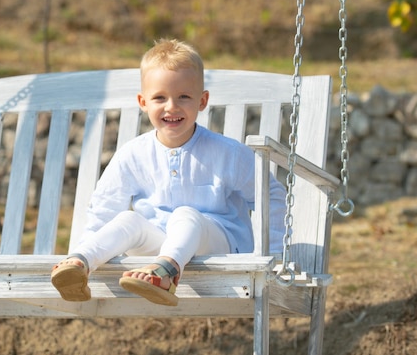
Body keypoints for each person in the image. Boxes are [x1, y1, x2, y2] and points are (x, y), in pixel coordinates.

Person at [51, 38, 286, 306]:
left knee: (185, 215)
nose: (171, 106)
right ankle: (80, 265)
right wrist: (83, 246)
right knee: (128, 220)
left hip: (218, 245)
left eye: (184, 97)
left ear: (202, 100)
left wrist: (275, 254)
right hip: (158, 246)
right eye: (159, 98)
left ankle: (167, 274)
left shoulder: (226, 153)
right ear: (143, 102)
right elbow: (104, 208)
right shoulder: (133, 154)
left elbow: (271, 195)